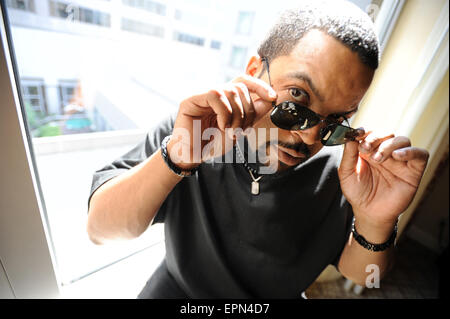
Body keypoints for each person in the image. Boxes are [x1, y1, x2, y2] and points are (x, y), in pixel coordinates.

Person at [86, 0, 429, 298]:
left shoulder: (343, 175)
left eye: (335, 121)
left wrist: (376, 220)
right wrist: (175, 158)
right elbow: (101, 231)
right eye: (296, 99)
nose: (310, 138)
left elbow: (364, 278)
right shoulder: (195, 131)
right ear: (253, 71)